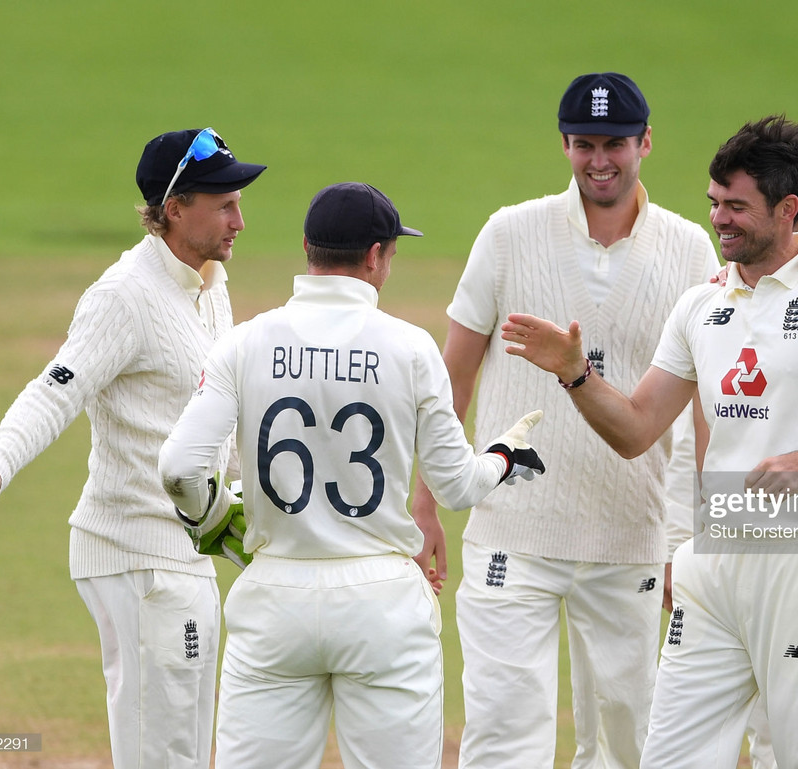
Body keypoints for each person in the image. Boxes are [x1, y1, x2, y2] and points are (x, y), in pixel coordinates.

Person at [502, 114, 798, 769]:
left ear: (789, 208)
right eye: (714, 203)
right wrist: (575, 373)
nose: (719, 219)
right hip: (717, 563)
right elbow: (637, 428)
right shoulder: (701, 307)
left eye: (737, 206)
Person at [158, 182, 547, 769]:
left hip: (273, 599)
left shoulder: (244, 344)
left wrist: (213, 521)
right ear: (374, 255)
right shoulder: (412, 349)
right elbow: (458, 486)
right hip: (382, 606)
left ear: (309, 247)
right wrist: (504, 456)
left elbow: (180, 468)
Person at [407, 72, 720, 768]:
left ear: (646, 142)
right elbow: (450, 381)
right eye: (584, 143)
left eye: (614, 143)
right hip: (512, 532)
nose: (598, 160)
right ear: (564, 144)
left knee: (628, 740)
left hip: (631, 536)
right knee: (504, 735)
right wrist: (425, 502)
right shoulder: (509, 232)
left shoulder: (692, 249)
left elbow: (703, 408)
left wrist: (690, 536)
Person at [0, 128, 266, 769]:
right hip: (137, 554)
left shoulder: (209, 281)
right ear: (175, 209)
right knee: (163, 752)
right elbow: (57, 388)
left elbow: (214, 420)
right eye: (225, 204)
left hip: (189, 550)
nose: (241, 219)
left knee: (184, 747)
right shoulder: (124, 296)